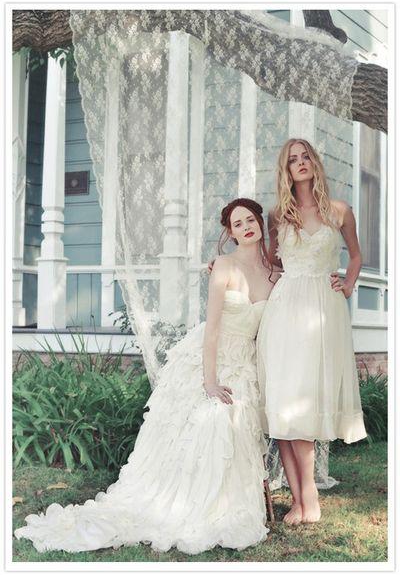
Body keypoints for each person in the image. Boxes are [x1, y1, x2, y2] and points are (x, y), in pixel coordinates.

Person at [14, 198, 281, 555]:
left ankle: (228, 500)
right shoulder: (224, 269)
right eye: (238, 223)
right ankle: (186, 501)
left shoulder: (272, 273)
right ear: (230, 233)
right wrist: (209, 381)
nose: (247, 226)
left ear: (260, 224)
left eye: (251, 219)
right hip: (212, 359)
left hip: (245, 361)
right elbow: (213, 329)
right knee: (210, 419)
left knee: (237, 423)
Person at [256, 139, 367, 526]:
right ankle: (299, 501)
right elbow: (269, 262)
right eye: (292, 160)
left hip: (322, 308)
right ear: (285, 170)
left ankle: (310, 498)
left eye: (305, 157)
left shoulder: (339, 211)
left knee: (301, 405)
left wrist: (349, 284)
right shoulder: (278, 215)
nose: (300, 164)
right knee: (283, 404)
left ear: (315, 163)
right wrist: (225, 264)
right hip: (284, 309)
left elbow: (355, 254)